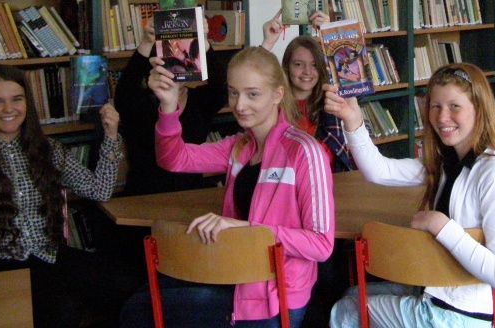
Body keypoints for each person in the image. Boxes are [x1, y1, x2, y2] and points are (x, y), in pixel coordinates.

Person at [119, 46, 335, 328]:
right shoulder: (240, 145)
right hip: (235, 273)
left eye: (252, 94)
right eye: (234, 93)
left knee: (138, 310)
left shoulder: (304, 151)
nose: (240, 105)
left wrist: (246, 230)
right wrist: (169, 108)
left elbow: (321, 245)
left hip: (274, 299)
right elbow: (174, 159)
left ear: (277, 95)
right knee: (144, 294)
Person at [326, 62, 495, 328]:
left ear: (479, 109)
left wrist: (441, 226)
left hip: (460, 314)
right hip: (436, 291)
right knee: (352, 294)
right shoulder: (447, 163)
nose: (442, 117)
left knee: (346, 310)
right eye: (435, 106)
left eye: (455, 106)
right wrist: (352, 119)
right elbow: (378, 171)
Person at [0, 65, 133, 328]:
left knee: (127, 284)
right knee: (63, 309)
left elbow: (98, 190)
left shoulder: (49, 149)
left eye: (16, 99)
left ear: (27, 105)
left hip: (47, 254)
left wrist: (111, 136)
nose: (8, 109)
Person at [114, 22, 227, 195]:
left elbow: (221, 88)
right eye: (169, 62)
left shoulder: (199, 101)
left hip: (189, 195)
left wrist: (203, 43)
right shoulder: (140, 102)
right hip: (144, 196)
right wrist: (146, 43)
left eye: (183, 60)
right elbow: (124, 93)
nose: (176, 69)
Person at [261, 9, 355, 172]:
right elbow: (249, 82)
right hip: (285, 184)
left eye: (314, 65)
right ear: (287, 67)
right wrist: (267, 43)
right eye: (298, 64)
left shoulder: (332, 102)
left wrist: (332, 34)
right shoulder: (274, 104)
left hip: (331, 182)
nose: (307, 72)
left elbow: (354, 82)